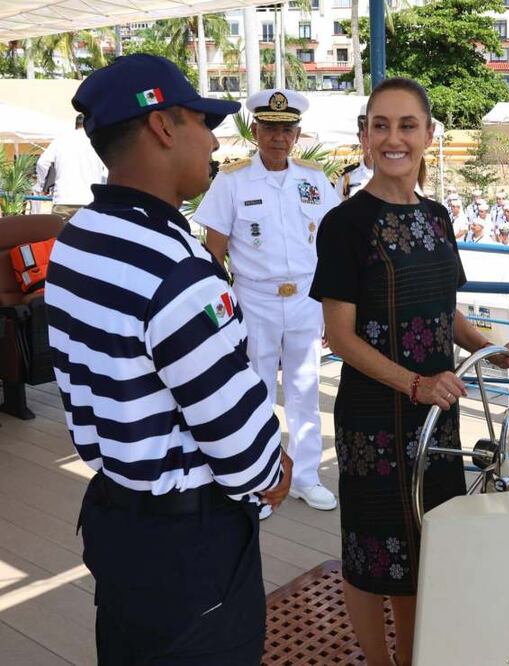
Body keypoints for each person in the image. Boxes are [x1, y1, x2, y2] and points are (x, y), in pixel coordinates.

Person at [48, 53, 291, 664]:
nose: (213, 141)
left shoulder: (78, 238)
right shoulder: (175, 268)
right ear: (162, 126)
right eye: (203, 122)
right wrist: (274, 471)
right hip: (189, 548)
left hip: (118, 522)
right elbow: (237, 442)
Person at [312, 78, 509, 666]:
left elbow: (442, 308)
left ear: (429, 135)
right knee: (370, 554)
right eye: (380, 125)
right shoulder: (344, 224)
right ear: (364, 136)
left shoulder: (437, 217)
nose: (394, 138)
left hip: (437, 419)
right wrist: (416, 384)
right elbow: (340, 336)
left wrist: (490, 348)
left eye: (407, 125)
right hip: (373, 421)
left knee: (424, 549)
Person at [195, 88, 340, 518]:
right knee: (254, 389)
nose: (279, 138)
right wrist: (222, 310)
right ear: (255, 131)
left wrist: (332, 308)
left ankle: (306, 477)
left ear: (297, 134)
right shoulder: (232, 180)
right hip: (254, 298)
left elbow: (333, 244)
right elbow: (214, 251)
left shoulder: (314, 180)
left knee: (305, 389)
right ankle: (259, 478)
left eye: (287, 130)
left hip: (306, 298)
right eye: (270, 129)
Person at [35, 113, 107, 220]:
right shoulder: (97, 141)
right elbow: (107, 170)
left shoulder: (61, 139)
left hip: (63, 199)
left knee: (61, 230)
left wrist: (41, 185)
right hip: (90, 199)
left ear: (76, 124)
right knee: (87, 231)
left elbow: (42, 163)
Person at [337, 114, 375, 199]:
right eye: (365, 136)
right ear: (359, 137)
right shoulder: (346, 177)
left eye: (374, 136)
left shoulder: (397, 175)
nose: (370, 142)